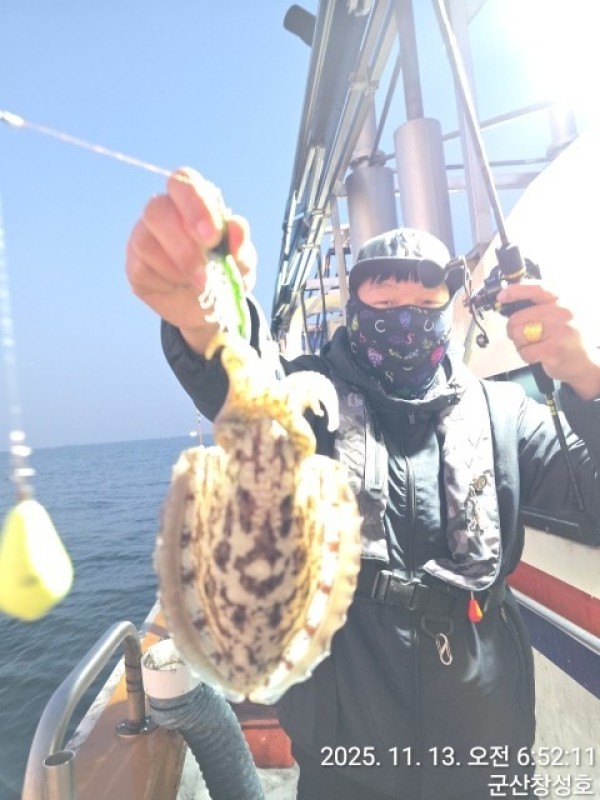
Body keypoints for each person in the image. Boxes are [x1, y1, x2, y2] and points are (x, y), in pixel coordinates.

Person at [126, 167, 600, 800]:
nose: (406, 318)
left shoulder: (505, 413)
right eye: (383, 302)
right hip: (346, 748)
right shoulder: (310, 397)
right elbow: (246, 380)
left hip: (487, 740)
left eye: (426, 304)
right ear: (354, 307)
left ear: (450, 310)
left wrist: (586, 378)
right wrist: (205, 317)